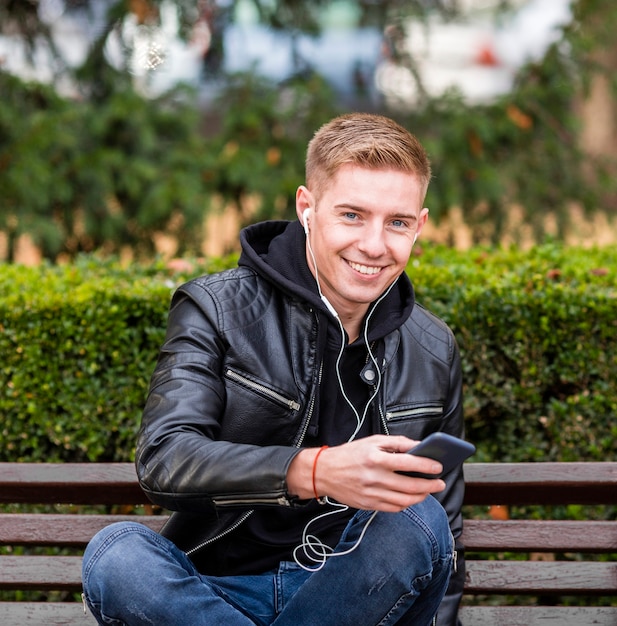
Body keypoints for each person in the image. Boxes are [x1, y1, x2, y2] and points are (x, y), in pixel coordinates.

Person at [82, 113, 467, 626]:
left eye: (396, 223)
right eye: (352, 215)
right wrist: (312, 470)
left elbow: (447, 533)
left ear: (419, 226)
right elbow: (165, 458)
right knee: (117, 555)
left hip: (355, 598)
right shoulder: (216, 307)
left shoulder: (434, 346)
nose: (375, 245)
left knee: (421, 518)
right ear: (307, 208)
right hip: (213, 591)